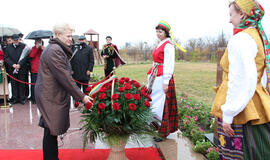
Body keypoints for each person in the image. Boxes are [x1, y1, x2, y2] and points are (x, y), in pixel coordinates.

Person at [211, 0, 270, 159]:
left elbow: (241, 80)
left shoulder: (241, 39)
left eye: (231, 14)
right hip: (257, 102)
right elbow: (259, 77)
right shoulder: (257, 36)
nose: (229, 19)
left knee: (240, 152)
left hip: (241, 108)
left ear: (242, 14)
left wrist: (228, 114)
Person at [35, 23, 92, 160]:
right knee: (51, 129)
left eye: (71, 36)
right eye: (68, 36)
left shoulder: (55, 48)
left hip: (50, 94)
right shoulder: (55, 50)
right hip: (50, 96)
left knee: (50, 129)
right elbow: (64, 78)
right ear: (58, 35)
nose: (70, 39)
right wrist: (82, 97)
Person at [147, 21, 181, 142]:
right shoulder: (160, 44)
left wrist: (166, 81)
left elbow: (169, 64)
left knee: (161, 104)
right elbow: (155, 61)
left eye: (160, 32)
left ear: (166, 33)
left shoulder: (168, 45)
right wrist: (151, 76)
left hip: (163, 78)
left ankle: (163, 131)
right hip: (155, 75)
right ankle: (155, 126)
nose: (158, 34)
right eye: (157, 31)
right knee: (154, 101)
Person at [4, 34, 28, 104]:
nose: (16, 41)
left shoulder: (23, 46)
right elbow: (6, 58)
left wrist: (19, 64)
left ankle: (22, 98)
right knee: (13, 84)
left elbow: (25, 57)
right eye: (14, 40)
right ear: (12, 40)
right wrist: (13, 64)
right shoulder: (8, 48)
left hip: (21, 68)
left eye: (17, 39)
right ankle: (15, 98)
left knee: (21, 83)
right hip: (12, 69)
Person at [29, 39, 44, 104]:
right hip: (34, 69)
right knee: (34, 85)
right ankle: (33, 98)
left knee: (42, 85)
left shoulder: (43, 49)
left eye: (39, 42)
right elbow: (31, 55)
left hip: (42, 69)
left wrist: (42, 48)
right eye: (37, 43)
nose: (38, 44)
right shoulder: (33, 48)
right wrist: (36, 48)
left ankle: (41, 98)